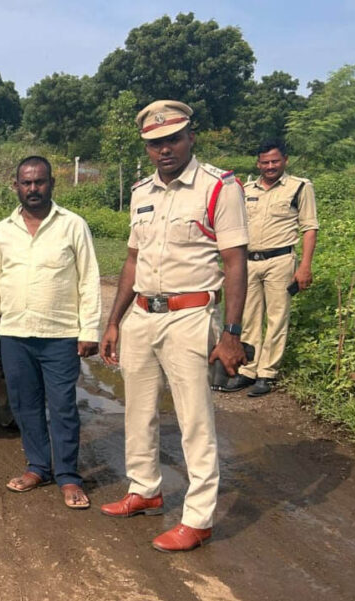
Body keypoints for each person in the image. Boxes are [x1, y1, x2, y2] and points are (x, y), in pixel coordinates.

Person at [98, 100, 248, 552]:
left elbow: (234, 262)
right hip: (142, 314)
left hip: (190, 315)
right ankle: (144, 489)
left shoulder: (219, 188)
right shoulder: (142, 192)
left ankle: (198, 517)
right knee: (137, 410)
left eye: (173, 139)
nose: (164, 150)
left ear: (190, 137)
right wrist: (114, 321)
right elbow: (131, 259)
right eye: (154, 143)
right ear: (146, 147)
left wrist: (232, 333)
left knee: (193, 420)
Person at [0, 156, 101, 510]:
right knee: (25, 406)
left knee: (62, 407)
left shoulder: (73, 226)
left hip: (60, 334)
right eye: (26, 183)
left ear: (51, 184)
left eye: (40, 182)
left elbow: (90, 280)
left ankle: (68, 476)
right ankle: (37, 467)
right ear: (16, 186)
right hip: (15, 334)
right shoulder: (3, 231)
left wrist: (88, 329)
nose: (33, 189)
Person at [220, 140, 319, 397]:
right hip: (249, 261)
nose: (270, 166)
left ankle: (267, 373)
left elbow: (309, 227)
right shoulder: (247, 189)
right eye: (265, 162)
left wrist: (305, 266)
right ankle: (248, 370)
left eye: (275, 161)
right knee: (248, 317)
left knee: (277, 318)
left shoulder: (300, 187)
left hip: (281, 261)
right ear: (258, 163)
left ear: (285, 160)